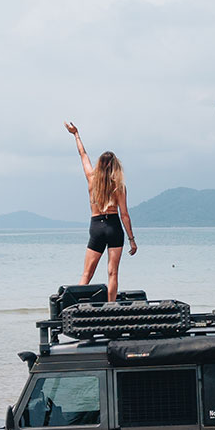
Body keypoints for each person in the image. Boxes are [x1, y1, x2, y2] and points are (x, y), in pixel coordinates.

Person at [66, 121, 135, 301]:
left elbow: (83, 154)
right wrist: (132, 240)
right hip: (113, 226)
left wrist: (76, 135)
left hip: (96, 226)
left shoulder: (91, 179)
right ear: (114, 166)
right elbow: (125, 215)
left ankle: (77, 307)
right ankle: (111, 308)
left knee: (87, 274)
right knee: (112, 273)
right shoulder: (119, 186)